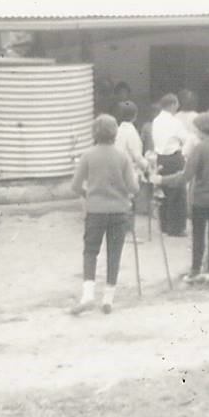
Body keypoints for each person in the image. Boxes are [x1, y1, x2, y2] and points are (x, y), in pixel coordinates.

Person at [70, 114, 139, 315]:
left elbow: (75, 186)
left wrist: (88, 194)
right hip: (119, 211)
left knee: (90, 251)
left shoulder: (88, 155)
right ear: (115, 133)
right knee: (114, 253)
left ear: (94, 133)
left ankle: (88, 295)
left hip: (95, 210)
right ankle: (108, 299)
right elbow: (133, 188)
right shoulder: (122, 157)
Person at [154, 111, 209, 282]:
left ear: (202, 129)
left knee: (198, 235)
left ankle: (195, 269)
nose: (195, 132)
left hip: (201, 198)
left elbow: (186, 176)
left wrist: (162, 179)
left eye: (196, 129)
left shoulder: (200, 148)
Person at [151, 93, 191, 236]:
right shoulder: (175, 122)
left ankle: (164, 225)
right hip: (174, 157)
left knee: (163, 191)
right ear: (173, 105)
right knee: (177, 192)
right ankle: (176, 228)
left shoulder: (156, 121)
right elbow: (185, 139)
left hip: (160, 158)